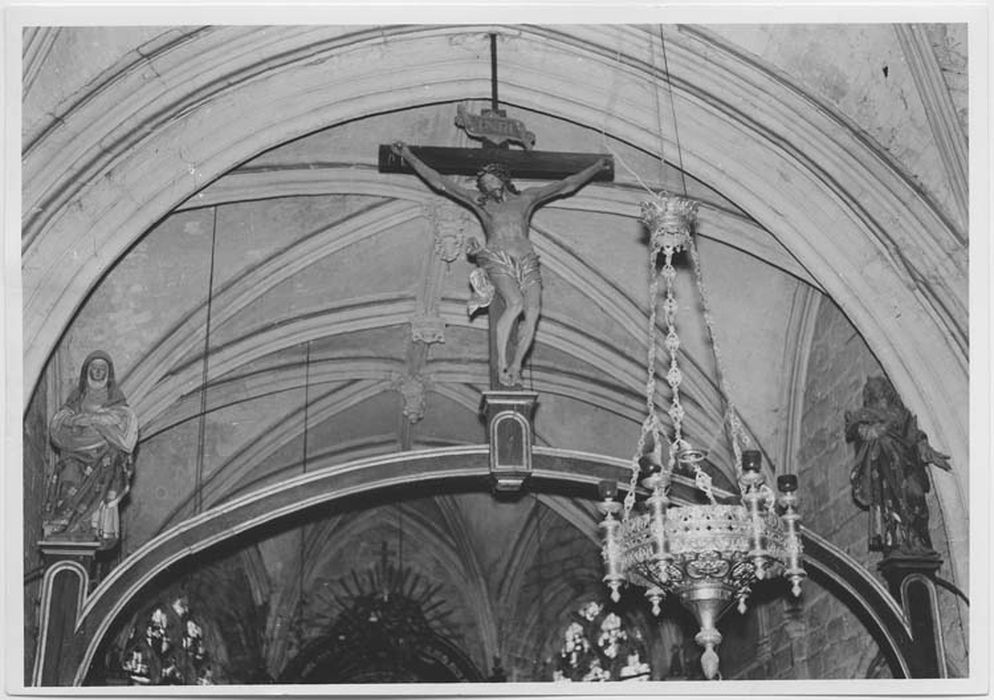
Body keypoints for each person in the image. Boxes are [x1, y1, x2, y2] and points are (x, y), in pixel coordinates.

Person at [392, 142, 610, 386]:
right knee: (515, 304)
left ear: (502, 178)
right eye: (483, 183)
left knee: (534, 311)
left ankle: (517, 364)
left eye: (491, 180)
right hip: (498, 257)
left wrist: (595, 167)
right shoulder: (481, 202)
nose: (487, 185)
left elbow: (567, 184)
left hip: (527, 258)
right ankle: (501, 364)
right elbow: (441, 182)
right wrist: (409, 157)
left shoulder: (526, 198)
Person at [845, 375, 951, 554]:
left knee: (916, 494)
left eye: (880, 387)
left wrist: (926, 449)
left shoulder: (902, 414)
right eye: (873, 389)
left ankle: (919, 541)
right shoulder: (866, 415)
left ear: (887, 390)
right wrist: (868, 429)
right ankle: (901, 542)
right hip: (886, 473)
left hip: (908, 466)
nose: (878, 391)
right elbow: (859, 431)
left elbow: (914, 435)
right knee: (892, 508)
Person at [46, 351, 138, 546]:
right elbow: (61, 419)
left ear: (108, 373)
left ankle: (88, 524)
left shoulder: (115, 398)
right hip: (75, 452)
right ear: (86, 371)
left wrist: (95, 419)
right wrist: (76, 420)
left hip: (102, 454)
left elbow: (123, 420)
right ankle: (64, 525)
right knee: (69, 475)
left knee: (108, 467)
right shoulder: (77, 397)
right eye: (93, 368)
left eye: (102, 369)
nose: (97, 372)